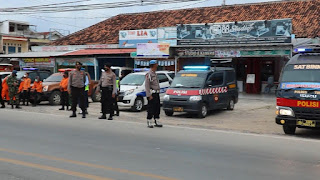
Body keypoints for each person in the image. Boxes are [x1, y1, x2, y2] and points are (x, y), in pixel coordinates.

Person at [145, 60, 162, 128]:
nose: (157, 65)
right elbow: (147, 85)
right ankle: (149, 121)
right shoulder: (149, 74)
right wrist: (149, 95)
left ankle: (156, 120)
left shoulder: (155, 73)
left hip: (156, 93)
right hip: (152, 94)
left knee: (157, 108)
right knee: (151, 108)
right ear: (153, 65)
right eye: (156, 64)